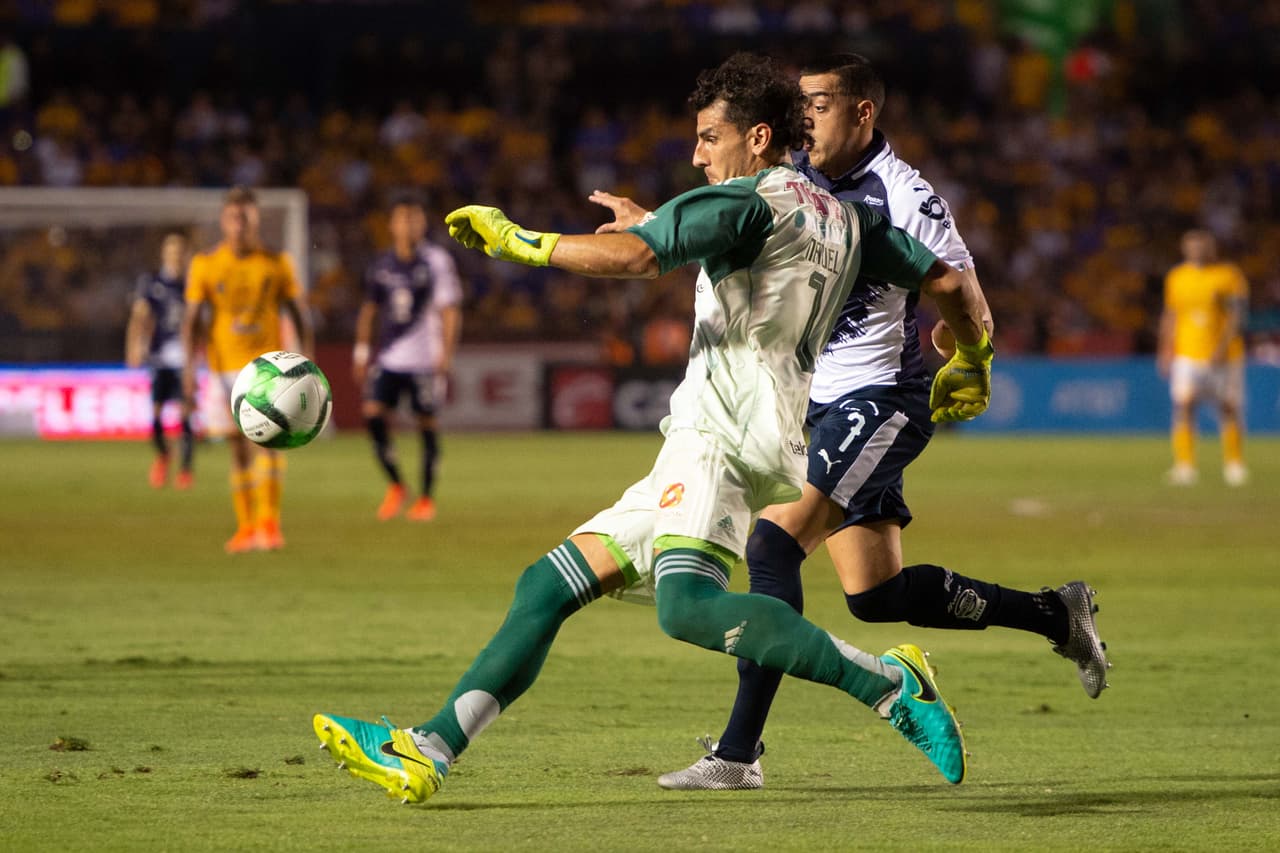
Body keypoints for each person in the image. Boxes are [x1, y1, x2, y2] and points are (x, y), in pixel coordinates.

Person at [315, 52, 992, 804]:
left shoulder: (746, 201)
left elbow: (639, 257)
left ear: (759, 136)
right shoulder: (849, 215)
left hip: (719, 440)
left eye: (709, 137)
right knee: (546, 586)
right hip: (742, 436)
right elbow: (949, 282)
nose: (698, 153)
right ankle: (429, 748)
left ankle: (891, 683)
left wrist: (520, 242)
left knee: (688, 608)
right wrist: (973, 356)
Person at [583, 54, 1104, 791]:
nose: (806, 119)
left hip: (876, 396)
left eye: (820, 104)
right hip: (807, 401)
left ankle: (738, 752)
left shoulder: (905, 195)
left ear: (863, 111)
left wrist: (975, 359)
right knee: (876, 593)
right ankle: (1057, 612)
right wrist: (657, 227)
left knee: (772, 544)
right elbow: (727, 217)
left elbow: (962, 289)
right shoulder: (794, 175)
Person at [181, 186, 314, 553]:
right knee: (238, 449)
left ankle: (270, 525)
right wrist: (189, 369)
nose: (239, 224)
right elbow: (192, 320)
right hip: (223, 367)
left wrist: (306, 359)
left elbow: (297, 313)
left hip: (267, 367)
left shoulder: (275, 262)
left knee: (268, 444)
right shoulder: (205, 264)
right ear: (224, 222)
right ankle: (246, 527)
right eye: (233, 217)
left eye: (245, 217)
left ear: (255, 219)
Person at [353, 191, 463, 521]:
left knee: (426, 424)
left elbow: (449, 310)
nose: (409, 224)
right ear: (391, 225)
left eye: (414, 218)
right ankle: (397, 485)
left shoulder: (436, 261)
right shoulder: (382, 264)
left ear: (423, 223)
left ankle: (426, 498)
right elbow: (369, 310)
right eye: (402, 218)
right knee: (372, 415)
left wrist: (446, 353)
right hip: (389, 358)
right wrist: (361, 352)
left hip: (425, 360)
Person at [1157, 229, 1249, 486]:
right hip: (1187, 353)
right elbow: (1171, 314)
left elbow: (1236, 315)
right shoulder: (1177, 277)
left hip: (1224, 355)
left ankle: (1234, 464)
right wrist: (1166, 349)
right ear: (1185, 249)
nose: (1197, 251)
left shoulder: (1228, 275)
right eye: (1192, 247)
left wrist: (1221, 347)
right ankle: (1185, 466)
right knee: (1183, 405)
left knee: (1228, 407)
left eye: (1202, 247)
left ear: (1212, 248)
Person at [125, 232, 194, 490]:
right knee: (155, 415)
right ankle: (164, 455)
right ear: (164, 255)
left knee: (186, 412)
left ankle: (186, 471)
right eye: (171, 252)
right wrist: (133, 346)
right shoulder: (151, 283)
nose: (175, 257)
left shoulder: (192, 284)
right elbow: (139, 317)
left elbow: (199, 323)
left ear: (185, 255)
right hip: (159, 356)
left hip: (185, 358)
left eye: (179, 252)